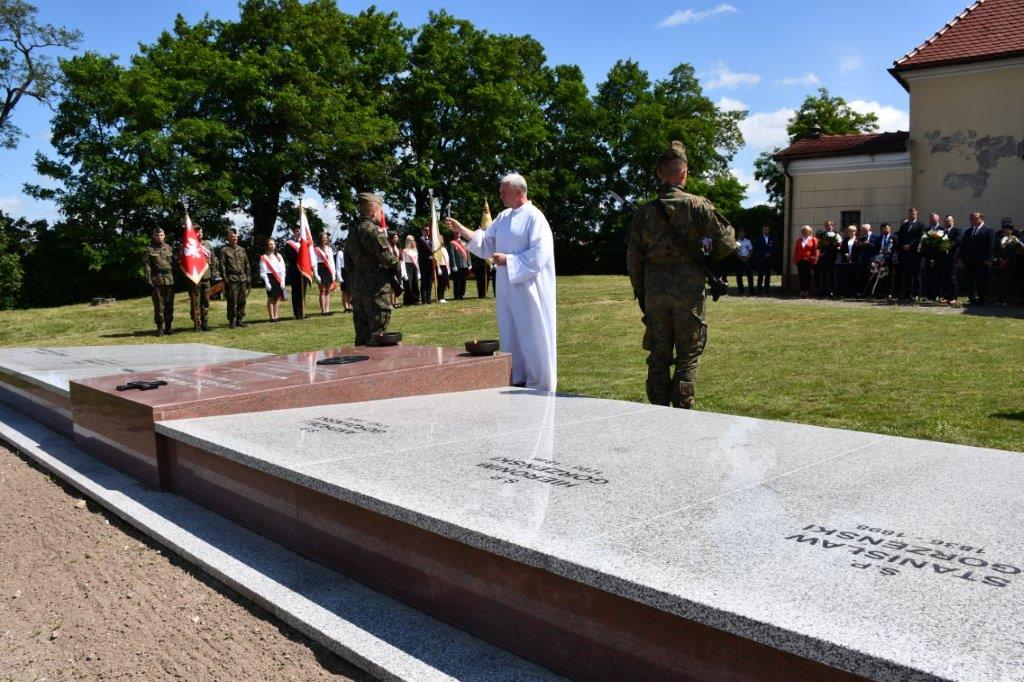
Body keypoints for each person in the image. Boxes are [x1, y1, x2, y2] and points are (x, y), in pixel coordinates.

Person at [624, 141, 735, 409]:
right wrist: (705, 259)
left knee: (659, 354)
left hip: (655, 292)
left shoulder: (644, 213)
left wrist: (641, 291)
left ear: (660, 173)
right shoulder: (698, 206)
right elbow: (727, 242)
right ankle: (683, 411)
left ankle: (659, 410)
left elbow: (634, 259)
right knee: (688, 355)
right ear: (684, 173)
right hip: (688, 292)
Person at [445, 173, 557, 392]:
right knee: (510, 330)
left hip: (528, 287)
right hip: (507, 286)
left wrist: (510, 260)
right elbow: (486, 242)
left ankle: (540, 380)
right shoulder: (503, 217)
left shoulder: (535, 217)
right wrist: (462, 230)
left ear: (518, 191)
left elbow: (540, 253)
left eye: (504, 191)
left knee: (532, 333)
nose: (500, 195)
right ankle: (518, 375)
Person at [348, 192, 399, 345]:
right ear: (373, 212)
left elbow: (348, 263)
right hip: (376, 287)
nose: (381, 215)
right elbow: (388, 259)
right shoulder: (373, 231)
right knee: (377, 333)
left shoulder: (352, 233)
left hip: (358, 286)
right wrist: (396, 263)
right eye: (380, 211)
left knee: (361, 333)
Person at [184, 225, 218, 332]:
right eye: (197, 232)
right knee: (196, 302)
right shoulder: (189, 245)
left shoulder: (207, 245)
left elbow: (213, 260)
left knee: (206, 301)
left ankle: (205, 322)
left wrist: (213, 274)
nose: (200, 233)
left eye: (201, 231)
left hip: (206, 277)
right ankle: (197, 324)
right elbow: (185, 262)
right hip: (195, 278)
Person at [143, 227, 175, 336]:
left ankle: (169, 327)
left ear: (164, 236)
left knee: (169, 304)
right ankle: (160, 327)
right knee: (159, 306)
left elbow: (173, 264)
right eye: (157, 235)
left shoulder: (169, 248)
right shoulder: (149, 249)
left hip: (169, 280)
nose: (159, 237)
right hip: (157, 280)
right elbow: (147, 266)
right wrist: (149, 280)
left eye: (161, 235)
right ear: (154, 236)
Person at [219, 227, 250, 328]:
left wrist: (248, 276)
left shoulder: (242, 249)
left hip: (242, 278)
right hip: (231, 279)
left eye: (236, 236)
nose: (235, 238)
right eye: (233, 236)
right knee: (232, 301)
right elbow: (222, 265)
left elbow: (246, 264)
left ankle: (240, 319)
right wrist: (225, 278)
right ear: (228, 238)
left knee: (242, 300)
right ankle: (232, 320)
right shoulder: (224, 250)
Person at [959, 212, 992, 305]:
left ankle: (981, 299)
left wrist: (988, 259)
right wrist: (961, 258)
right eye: (972, 219)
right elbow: (963, 245)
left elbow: (990, 246)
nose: (973, 220)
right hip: (969, 260)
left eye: (975, 218)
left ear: (981, 218)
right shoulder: (968, 231)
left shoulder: (988, 230)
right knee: (970, 280)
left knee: (981, 280)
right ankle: (972, 298)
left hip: (982, 260)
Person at [897, 207, 925, 301]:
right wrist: (903, 246)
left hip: (915, 253)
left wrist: (910, 245)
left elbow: (920, 238)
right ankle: (908, 294)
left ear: (916, 214)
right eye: (910, 214)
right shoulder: (904, 225)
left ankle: (917, 294)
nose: (911, 215)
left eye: (913, 214)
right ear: (908, 215)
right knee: (907, 274)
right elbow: (900, 237)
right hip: (905, 253)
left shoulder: (920, 225)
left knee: (916, 274)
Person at [283, 224, 308, 319]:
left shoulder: (304, 243)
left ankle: (303, 311)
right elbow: (289, 257)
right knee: (296, 291)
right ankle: (297, 313)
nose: (297, 232)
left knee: (303, 291)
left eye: (299, 230)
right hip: (294, 269)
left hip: (304, 269)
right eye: (296, 230)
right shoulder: (288, 243)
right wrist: (299, 260)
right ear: (293, 231)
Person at [259, 237, 287, 322]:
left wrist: (283, 280)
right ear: (267, 245)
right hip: (269, 277)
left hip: (278, 277)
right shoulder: (264, 257)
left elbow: (283, 269)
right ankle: (271, 317)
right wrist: (266, 282)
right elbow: (263, 271)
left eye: (273, 244)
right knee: (271, 297)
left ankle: (276, 316)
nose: (272, 246)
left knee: (277, 298)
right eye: (270, 244)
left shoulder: (278, 256)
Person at [992, 219, 1019, 306]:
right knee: (999, 281)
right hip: (999, 262)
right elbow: (995, 250)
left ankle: (1006, 299)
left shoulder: (1014, 239)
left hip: (1010, 263)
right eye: (1004, 228)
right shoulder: (998, 237)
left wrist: (1006, 260)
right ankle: (999, 298)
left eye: (1008, 228)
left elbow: (1014, 251)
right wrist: (1000, 259)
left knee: (1007, 282)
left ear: (1011, 230)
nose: (1006, 230)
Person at [920, 212, 944, 302]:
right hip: (928, 257)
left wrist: (934, 258)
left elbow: (938, 244)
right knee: (928, 276)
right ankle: (930, 295)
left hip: (938, 257)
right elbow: (925, 243)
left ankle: (938, 295)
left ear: (938, 219)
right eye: (930, 219)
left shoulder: (941, 229)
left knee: (937, 276)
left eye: (934, 219)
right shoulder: (927, 229)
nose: (932, 220)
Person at [313, 232, 336, 315]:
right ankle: (323, 311)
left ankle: (327, 310)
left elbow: (332, 262)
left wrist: (333, 273)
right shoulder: (316, 249)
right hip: (320, 268)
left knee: (328, 291)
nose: (325, 239)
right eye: (323, 237)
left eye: (326, 238)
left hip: (328, 269)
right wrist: (316, 274)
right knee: (322, 290)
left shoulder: (329, 248)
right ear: (320, 239)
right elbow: (314, 262)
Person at [793, 225, 818, 299]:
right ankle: (802, 290)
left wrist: (814, 259)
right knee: (801, 276)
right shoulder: (799, 240)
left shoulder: (813, 239)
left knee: (808, 276)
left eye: (806, 230)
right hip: (800, 260)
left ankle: (807, 290)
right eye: (803, 230)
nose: (804, 232)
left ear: (809, 231)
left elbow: (815, 250)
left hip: (809, 260)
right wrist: (795, 259)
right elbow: (796, 251)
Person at [941, 215, 961, 304]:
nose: (947, 222)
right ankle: (946, 296)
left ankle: (953, 297)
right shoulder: (942, 231)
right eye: (945, 221)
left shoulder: (956, 230)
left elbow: (957, 241)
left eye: (949, 221)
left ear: (953, 221)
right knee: (944, 277)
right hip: (943, 258)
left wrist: (946, 246)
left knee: (952, 277)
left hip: (952, 257)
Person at [815, 220, 838, 299]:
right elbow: (818, 246)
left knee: (832, 275)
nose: (828, 227)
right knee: (823, 275)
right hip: (823, 258)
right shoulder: (822, 234)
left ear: (832, 226)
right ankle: (823, 291)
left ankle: (831, 291)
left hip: (832, 257)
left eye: (829, 225)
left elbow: (839, 245)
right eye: (826, 225)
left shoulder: (836, 234)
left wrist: (835, 244)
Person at [856, 224, 879, 297]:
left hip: (872, 259)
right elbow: (859, 249)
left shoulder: (875, 236)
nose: (863, 231)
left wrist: (868, 243)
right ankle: (864, 293)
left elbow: (877, 247)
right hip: (863, 259)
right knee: (863, 276)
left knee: (872, 276)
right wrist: (858, 244)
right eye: (862, 230)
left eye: (864, 230)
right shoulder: (861, 236)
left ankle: (871, 293)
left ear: (869, 229)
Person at [837, 225, 860, 297]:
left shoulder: (858, 239)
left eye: (852, 231)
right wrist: (845, 254)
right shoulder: (845, 239)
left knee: (854, 277)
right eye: (849, 231)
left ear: (855, 232)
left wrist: (853, 255)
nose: (850, 232)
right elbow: (841, 250)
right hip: (846, 261)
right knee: (846, 277)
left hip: (855, 261)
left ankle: (854, 292)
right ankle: (846, 293)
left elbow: (860, 250)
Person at [752, 224, 775, 295]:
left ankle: (767, 289)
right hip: (761, 259)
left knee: (768, 274)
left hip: (769, 259)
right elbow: (756, 248)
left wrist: (770, 253)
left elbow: (774, 247)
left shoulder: (772, 238)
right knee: (760, 274)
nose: (766, 231)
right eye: (764, 229)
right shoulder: (758, 238)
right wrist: (764, 254)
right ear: (762, 230)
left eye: (767, 229)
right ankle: (759, 289)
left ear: (769, 230)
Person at [449, 233, 471, 300]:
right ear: (454, 234)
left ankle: (462, 295)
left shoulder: (464, 243)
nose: (458, 234)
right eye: (456, 233)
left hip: (464, 265)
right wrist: (453, 265)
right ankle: (456, 296)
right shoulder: (452, 243)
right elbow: (452, 255)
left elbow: (468, 254)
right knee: (457, 281)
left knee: (463, 281)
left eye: (458, 233)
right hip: (457, 265)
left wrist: (469, 264)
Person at [417, 225, 434, 304]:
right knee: (424, 282)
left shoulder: (431, 240)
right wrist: (433, 253)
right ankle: (424, 299)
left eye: (428, 230)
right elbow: (429, 250)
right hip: (424, 263)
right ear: (422, 231)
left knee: (429, 281)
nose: (427, 231)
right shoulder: (421, 240)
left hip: (430, 263)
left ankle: (428, 298)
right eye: (425, 230)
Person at [401, 235, 420, 305]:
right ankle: (408, 301)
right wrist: (404, 273)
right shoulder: (405, 250)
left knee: (415, 284)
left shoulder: (415, 250)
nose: (412, 242)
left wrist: (418, 272)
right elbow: (402, 262)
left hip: (414, 267)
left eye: (413, 240)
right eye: (410, 240)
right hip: (407, 266)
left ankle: (416, 300)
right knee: (408, 284)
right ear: (407, 241)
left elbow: (416, 261)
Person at [733, 228, 753, 295]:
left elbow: (750, 250)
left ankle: (751, 290)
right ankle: (741, 290)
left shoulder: (748, 241)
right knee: (739, 275)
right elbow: (735, 252)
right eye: (740, 233)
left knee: (750, 275)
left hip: (747, 259)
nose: (741, 234)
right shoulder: (736, 242)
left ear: (744, 234)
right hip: (739, 260)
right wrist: (741, 259)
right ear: (738, 234)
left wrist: (747, 258)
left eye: (742, 233)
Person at [334, 243, 352, 313]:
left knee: (351, 291)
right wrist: (339, 276)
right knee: (345, 291)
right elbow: (338, 265)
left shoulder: (350, 251)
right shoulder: (340, 253)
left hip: (350, 272)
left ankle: (350, 306)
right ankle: (346, 307)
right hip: (343, 272)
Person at [387, 231, 403, 308]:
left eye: (397, 237)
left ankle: (396, 302)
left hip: (398, 268)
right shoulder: (389, 246)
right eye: (394, 237)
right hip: (391, 268)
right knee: (393, 285)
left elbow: (400, 257)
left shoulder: (397, 246)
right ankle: (392, 303)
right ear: (391, 238)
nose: (396, 239)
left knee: (397, 285)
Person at [435, 235, 451, 303]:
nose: (441, 240)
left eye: (442, 239)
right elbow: (437, 259)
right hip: (440, 266)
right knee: (441, 282)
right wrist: (438, 268)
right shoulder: (437, 249)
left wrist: (448, 268)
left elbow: (447, 259)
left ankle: (442, 297)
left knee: (444, 282)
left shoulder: (444, 248)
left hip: (445, 267)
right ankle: (440, 297)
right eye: (440, 239)